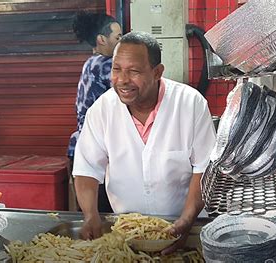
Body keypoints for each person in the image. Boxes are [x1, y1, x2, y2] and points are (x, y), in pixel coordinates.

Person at [72, 31, 216, 254]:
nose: (122, 80)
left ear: (157, 72)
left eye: (134, 71)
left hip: (185, 229)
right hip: (126, 235)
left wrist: (187, 220)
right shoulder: (102, 110)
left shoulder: (190, 103)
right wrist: (91, 215)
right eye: (116, 69)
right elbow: (86, 169)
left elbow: (204, 168)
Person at [67, 11, 122, 212]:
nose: (122, 42)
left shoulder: (90, 63)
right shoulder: (104, 65)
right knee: (103, 217)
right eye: (118, 38)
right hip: (93, 150)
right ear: (102, 39)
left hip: (82, 147)